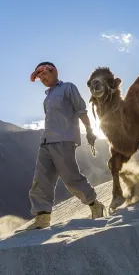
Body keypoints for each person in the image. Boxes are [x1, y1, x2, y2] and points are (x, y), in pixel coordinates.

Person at [26, 62, 107, 230]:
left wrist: (90, 130)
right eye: (39, 77)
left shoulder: (68, 88)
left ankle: (95, 205)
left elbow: (81, 110)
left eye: (44, 75)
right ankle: (42, 218)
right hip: (46, 142)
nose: (42, 79)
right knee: (41, 180)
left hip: (64, 140)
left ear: (53, 71)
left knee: (71, 178)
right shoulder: (48, 96)